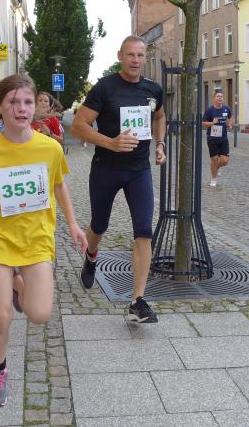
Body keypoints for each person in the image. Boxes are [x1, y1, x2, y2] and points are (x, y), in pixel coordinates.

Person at [0, 74, 87, 407]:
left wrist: (74, 225)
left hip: (37, 240)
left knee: (39, 314)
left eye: (27, 101)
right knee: (1, 315)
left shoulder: (50, 148)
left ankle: (17, 285)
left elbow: (59, 185)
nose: (21, 108)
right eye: (12, 102)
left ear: (34, 106)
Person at [71, 35, 166, 323]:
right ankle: (91, 255)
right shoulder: (105, 88)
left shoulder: (153, 90)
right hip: (106, 168)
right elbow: (78, 125)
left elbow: (160, 117)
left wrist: (160, 144)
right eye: (130, 55)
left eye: (140, 55)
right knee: (99, 225)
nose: (135, 60)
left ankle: (138, 301)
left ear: (145, 58)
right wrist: (110, 143)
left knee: (144, 231)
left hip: (139, 170)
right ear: (120, 56)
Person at [202, 91, 233, 187]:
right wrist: (212, 123)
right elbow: (203, 123)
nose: (220, 98)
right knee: (214, 159)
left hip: (223, 138)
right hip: (212, 138)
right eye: (218, 96)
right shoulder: (209, 110)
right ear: (214, 98)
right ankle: (213, 180)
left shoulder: (226, 108)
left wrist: (229, 124)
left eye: (221, 96)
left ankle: (217, 167)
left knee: (225, 161)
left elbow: (230, 117)